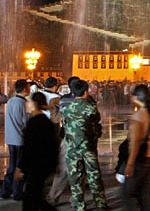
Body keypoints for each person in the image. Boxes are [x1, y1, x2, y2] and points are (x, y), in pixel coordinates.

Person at [61, 80, 107, 211]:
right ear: (86, 92)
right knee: (94, 176)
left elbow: (64, 126)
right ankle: (100, 203)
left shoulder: (66, 109)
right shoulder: (91, 108)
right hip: (88, 147)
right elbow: (96, 124)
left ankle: (79, 205)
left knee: (75, 178)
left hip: (72, 148)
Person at [16, 92, 59, 211]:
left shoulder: (34, 123)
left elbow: (28, 148)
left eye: (28, 102)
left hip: (36, 166)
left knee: (31, 198)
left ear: (35, 103)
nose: (26, 104)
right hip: (43, 166)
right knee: (35, 198)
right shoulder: (46, 122)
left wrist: (20, 167)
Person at [121, 84, 150, 211]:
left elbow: (135, 143)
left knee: (127, 195)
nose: (131, 98)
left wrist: (130, 164)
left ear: (138, 97)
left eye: (133, 96)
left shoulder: (139, 117)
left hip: (139, 161)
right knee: (144, 196)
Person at [2, 79, 30, 200]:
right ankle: (17, 193)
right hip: (20, 139)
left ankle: (5, 191)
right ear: (24, 89)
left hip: (10, 138)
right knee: (20, 167)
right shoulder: (24, 103)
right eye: (28, 87)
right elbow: (25, 122)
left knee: (12, 166)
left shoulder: (11, 101)